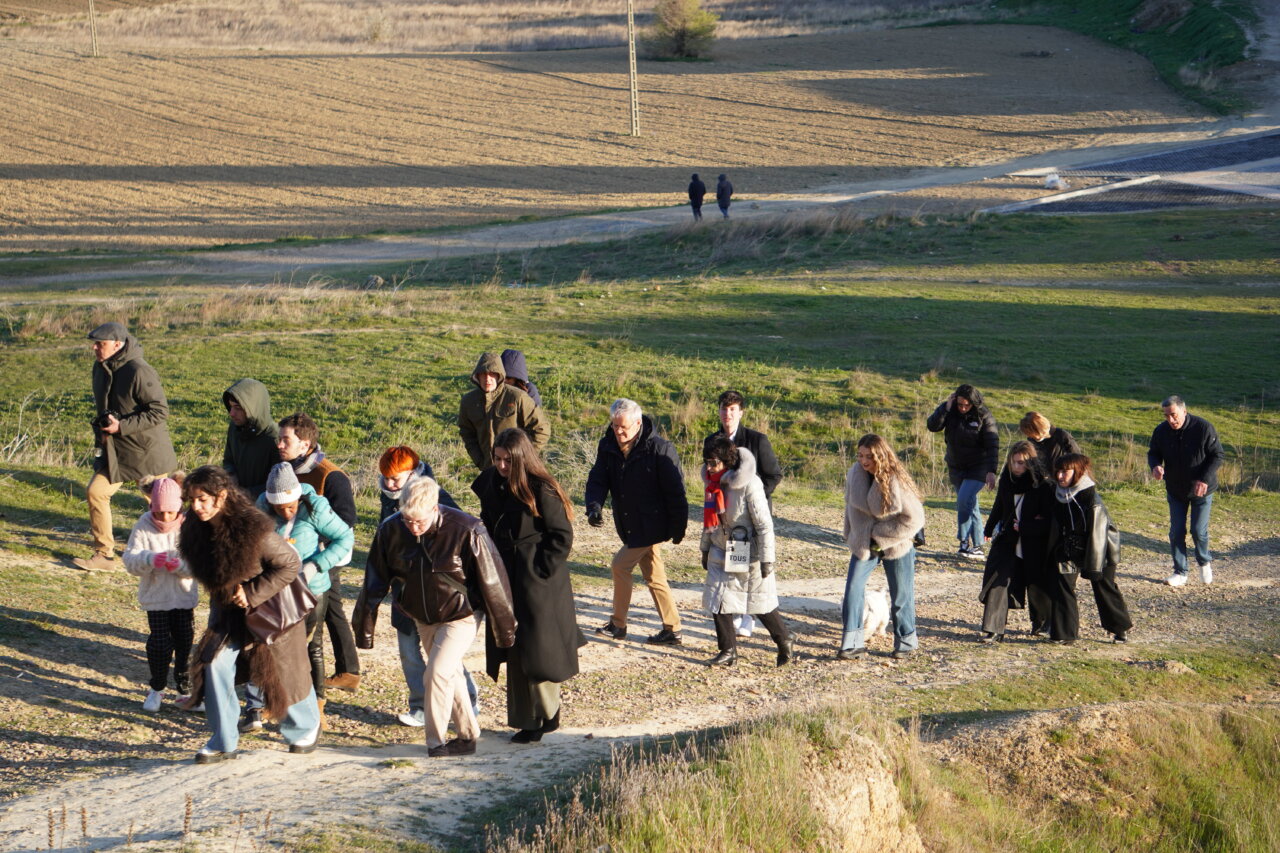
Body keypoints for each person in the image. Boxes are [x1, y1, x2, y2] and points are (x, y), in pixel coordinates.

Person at [353, 476, 517, 757]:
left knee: (437, 673)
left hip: (461, 614)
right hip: (421, 616)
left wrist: (505, 629)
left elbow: (494, 582)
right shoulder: (390, 530)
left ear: (434, 509)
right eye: (407, 520)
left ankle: (436, 742)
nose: (413, 527)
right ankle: (467, 736)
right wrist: (364, 627)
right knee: (448, 674)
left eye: (419, 521)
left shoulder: (467, 528)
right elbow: (374, 580)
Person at [178, 466, 320, 763]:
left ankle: (305, 728)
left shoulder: (253, 528)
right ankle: (223, 740)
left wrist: (252, 591)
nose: (196, 506)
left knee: (284, 672)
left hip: (272, 610)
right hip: (229, 615)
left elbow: (289, 564)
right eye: (192, 500)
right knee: (213, 665)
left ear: (222, 496)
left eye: (203, 499)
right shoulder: (194, 530)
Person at [472, 429, 584, 743]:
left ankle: (547, 715)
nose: (502, 465)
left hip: (538, 582)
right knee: (514, 646)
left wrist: (539, 570)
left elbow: (561, 536)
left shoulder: (541, 489)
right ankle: (527, 720)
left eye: (508, 460)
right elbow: (486, 520)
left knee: (539, 649)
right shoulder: (491, 482)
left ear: (522, 458)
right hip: (505, 573)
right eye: (497, 459)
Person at [375, 446, 478, 728]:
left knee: (443, 657)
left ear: (413, 473)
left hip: (440, 596)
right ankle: (419, 705)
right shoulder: (391, 502)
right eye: (386, 478)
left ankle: (468, 701)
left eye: (396, 479)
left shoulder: (440, 501)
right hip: (404, 592)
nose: (389, 484)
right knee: (409, 652)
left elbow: (462, 541)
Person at [254, 464, 353, 733]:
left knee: (312, 647)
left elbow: (345, 537)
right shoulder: (261, 507)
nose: (286, 512)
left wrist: (316, 566)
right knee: (274, 647)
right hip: (275, 590)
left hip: (311, 589)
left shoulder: (315, 507)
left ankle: (317, 706)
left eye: (290, 506)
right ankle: (276, 702)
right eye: (280, 508)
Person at [75, 322, 179, 572]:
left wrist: (121, 426)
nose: (94, 347)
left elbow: (159, 411)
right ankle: (104, 555)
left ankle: (175, 553)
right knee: (96, 492)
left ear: (117, 345)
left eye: (100, 343)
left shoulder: (139, 371)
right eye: (95, 343)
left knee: (162, 505)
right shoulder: (100, 368)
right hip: (116, 451)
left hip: (146, 451)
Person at [584, 398, 688, 645]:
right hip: (631, 523)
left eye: (624, 427)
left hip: (652, 525)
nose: (618, 432)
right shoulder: (608, 445)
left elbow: (676, 491)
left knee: (620, 566)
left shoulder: (660, 449)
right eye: (615, 426)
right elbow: (598, 478)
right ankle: (672, 629)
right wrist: (594, 506)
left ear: (638, 423)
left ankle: (618, 625)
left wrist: (678, 526)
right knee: (654, 576)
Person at [275, 413, 362, 694]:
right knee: (333, 610)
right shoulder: (284, 470)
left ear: (305, 444)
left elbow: (346, 520)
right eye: (279, 438)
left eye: (285, 439)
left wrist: (309, 541)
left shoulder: (330, 475)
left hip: (321, 555)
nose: (279, 444)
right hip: (297, 555)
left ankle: (328, 680)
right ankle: (349, 670)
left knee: (327, 611)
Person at [698, 437, 793, 667]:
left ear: (727, 462)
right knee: (718, 600)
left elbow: (764, 525)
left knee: (758, 603)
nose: (708, 468)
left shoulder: (751, 484)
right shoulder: (713, 484)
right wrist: (705, 548)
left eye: (713, 462)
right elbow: (710, 521)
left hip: (746, 549)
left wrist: (767, 559)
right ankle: (728, 650)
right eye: (706, 462)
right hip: (721, 547)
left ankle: (784, 639)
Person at [702, 389, 782, 639]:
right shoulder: (711, 440)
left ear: (741, 412)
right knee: (729, 572)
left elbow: (773, 474)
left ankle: (750, 619)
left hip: (751, 519)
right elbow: (711, 477)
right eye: (724, 409)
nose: (728, 414)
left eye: (733, 409)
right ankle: (732, 626)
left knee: (749, 573)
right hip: (722, 518)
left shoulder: (757, 440)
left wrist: (752, 497)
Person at [838, 434, 924, 660]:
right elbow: (849, 508)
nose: (864, 461)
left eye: (869, 456)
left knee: (901, 596)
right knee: (853, 590)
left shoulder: (896, 480)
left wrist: (880, 537)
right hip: (863, 543)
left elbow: (915, 519)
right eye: (860, 455)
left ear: (880, 456)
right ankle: (852, 643)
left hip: (897, 543)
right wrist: (851, 534)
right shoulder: (854, 474)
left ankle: (906, 641)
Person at [123, 475, 196, 712]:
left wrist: (181, 568)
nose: (165, 518)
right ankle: (157, 687)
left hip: (183, 597)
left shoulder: (189, 527)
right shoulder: (143, 525)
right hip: (156, 598)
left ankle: (184, 689)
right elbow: (130, 560)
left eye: (170, 513)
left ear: (180, 508)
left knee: (185, 642)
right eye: (159, 513)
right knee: (159, 645)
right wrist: (149, 559)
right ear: (151, 507)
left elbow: (199, 564)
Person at [1044, 454, 1133, 644]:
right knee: (1063, 584)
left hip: (1100, 549)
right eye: (1058, 471)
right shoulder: (1058, 493)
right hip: (1071, 546)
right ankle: (1064, 634)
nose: (1060, 476)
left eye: (1065, 471)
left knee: (1103, 586)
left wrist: (1093, 568)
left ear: (1078, 472)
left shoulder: (1091, 498)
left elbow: (1098, 536)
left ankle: (1120, 628)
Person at [977, 442, 1055, 643]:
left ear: (1031, 462)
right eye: (1014, 462)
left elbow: (1050, 518)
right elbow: (1000, 504)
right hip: (1008, 538)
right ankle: (993, 629)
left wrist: (1031, 525)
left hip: (1034, 541)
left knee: (1036, 582)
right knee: (998, 580)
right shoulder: (1007, 480)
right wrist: (989, 526)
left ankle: (1042, 623)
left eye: (1022, 463)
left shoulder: (1043, 484)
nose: (1017, 467)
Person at [1147, 396, 1223, 587]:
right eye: (1166, 416)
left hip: (1201, 489)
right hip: (1175, 488)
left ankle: (1204, 561)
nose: (1170, 420)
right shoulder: (1161, 431)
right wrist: (1155, 466)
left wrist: (1204, 479)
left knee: (1198, 531)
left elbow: (1217, 455)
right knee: (1176, 531)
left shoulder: (1203, 428)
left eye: (1173, 415)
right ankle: (1180, 572)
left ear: (1184, 411)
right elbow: (1153, 452)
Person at [926, 384, 999, 560]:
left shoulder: (984, 416)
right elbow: (933, 426)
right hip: (956, 466)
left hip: (978, 467)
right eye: (960, 404)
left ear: (974, 403)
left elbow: (992, 444)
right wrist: (945, 408)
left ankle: (964, 541)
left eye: (967, 405)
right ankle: (977, 546)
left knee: (964, 500)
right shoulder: (949, 411)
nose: (963, 408)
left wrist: (991, 471)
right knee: (970, 504)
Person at [458, 352, 550, 471]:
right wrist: (480, 461)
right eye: (483, 374)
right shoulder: (468, 401)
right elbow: (467, 433)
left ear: (499, 376)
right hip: (488, 470)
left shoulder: (517, 397)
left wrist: (522, 459)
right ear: (477, 376)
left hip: (518, 470)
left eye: (492, 374)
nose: (488, 379)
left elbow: (542, 429)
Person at [222, 378, 279, 498]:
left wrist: (246, 494)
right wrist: (231, 475)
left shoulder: (274, 439)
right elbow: (228, 460)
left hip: (264, 506)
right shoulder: (235, 428)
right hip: (237, 500)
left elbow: (279, 482)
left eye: (238, 408)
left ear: (252, 408)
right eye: (231, 407)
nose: (231, 413)